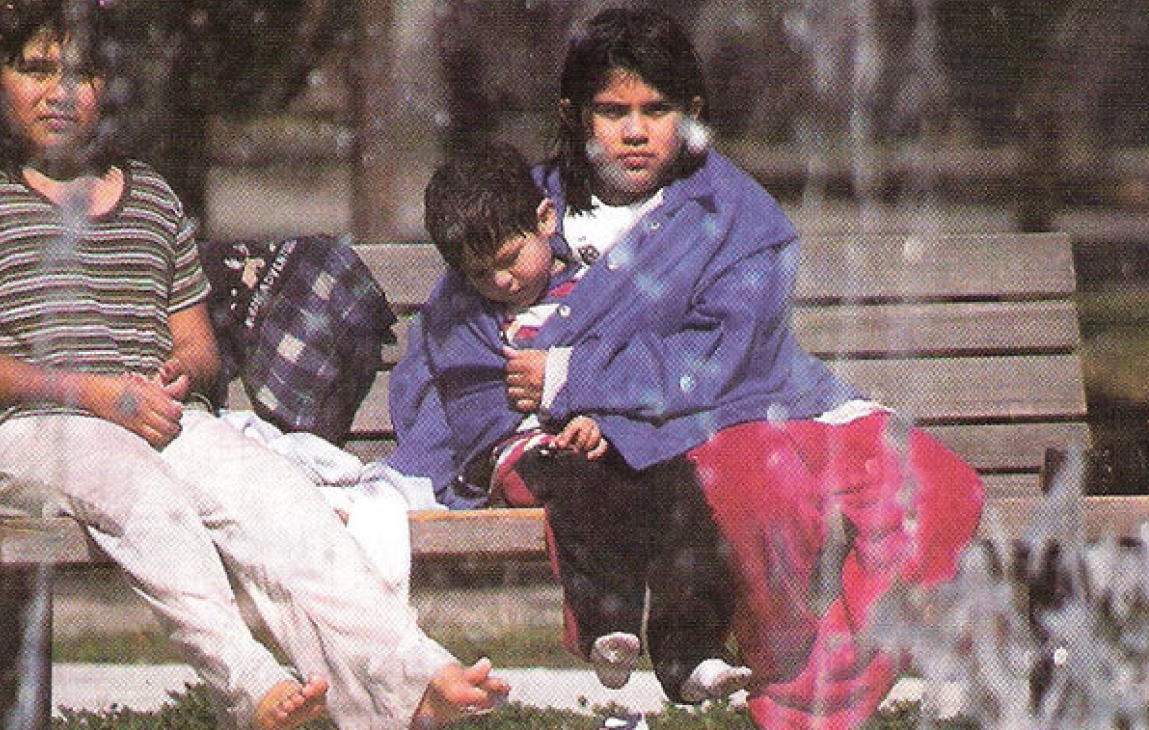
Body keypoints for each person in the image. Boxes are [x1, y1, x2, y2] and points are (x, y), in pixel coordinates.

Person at [0, 2, 508, 728]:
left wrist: (180, 374)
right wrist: (92, 395)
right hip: (15, 431)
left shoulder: (149, 196)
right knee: (130, 481)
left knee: (278, 497)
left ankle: (416, 674)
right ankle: (247, 683)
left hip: (150, 420)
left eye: (83, 74)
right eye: (37, 70)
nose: (61, 92)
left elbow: (197, 347)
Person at [397, 8, 984, 729]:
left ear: (693, 112)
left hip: (759, 398)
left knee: (941, 492)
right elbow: (459, 344)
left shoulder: (738, 215)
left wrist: (571, 377)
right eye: (612, 111)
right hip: (675, 444)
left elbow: (723, 359)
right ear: (572, 114)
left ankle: (817, 698)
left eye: (658, 109)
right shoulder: (515, 211)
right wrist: (520, 432)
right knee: (763, 488)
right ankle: (794, 686)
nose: (636, 131)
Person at [390, 143, 752, 703]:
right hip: (528, 453)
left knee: (679, 487)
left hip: (610, 439)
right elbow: (474, 398)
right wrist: (558, 423)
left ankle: (692, 649)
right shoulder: (466, 318)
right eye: (481, 274)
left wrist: (604, 419)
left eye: (511, 259)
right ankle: (607, 624)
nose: (503, 282)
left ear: (545, 219)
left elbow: (629, 365)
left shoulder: (598, 292)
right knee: (581, 484)